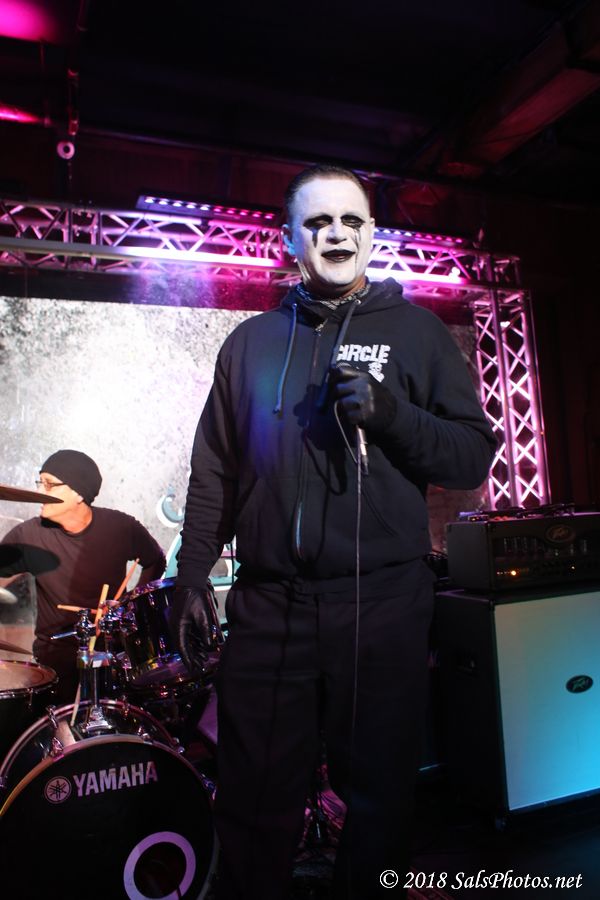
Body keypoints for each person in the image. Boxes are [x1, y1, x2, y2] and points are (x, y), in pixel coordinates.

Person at [171, 165, 496, 899]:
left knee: (379, 802)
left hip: (381, 603)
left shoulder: (416, 333)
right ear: (290, 238)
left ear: (372, 234)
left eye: (351, 220)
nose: (336, 234)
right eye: (318, 222)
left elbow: (472, 455)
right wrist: (192, 576)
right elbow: (214, 472)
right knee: (252, 800)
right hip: (269, 607)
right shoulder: (250, 343)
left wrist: (392, 416)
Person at [1, 449, 166, 704]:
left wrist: (128, 605)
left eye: (49, 484)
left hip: (110, 653)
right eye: (39, 483)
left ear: (78, 493)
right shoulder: (28, 535)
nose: (39, 492)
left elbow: (155, 560)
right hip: (55, 658)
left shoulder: (120, 527)